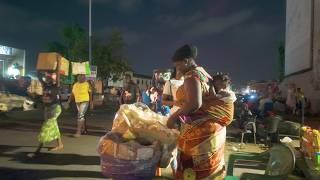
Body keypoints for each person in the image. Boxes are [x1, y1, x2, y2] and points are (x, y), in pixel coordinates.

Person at [167, 44, 234, 179]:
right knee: (208, 168)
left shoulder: (191, 76)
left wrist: (172, 118)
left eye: (178, 65)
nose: (177, 68)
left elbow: (194, 103)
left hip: (201, 132)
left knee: (193, 170)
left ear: (186, 61)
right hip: (214, 129)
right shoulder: (204, 73)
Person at [31, 73, 63, 156]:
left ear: (53, 80)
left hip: (55, 109)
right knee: (54, 126)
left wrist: (58, 63)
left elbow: (58, 76)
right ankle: (60, 144)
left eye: (49, 78)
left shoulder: (56, 86)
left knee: (46, 128)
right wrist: (40, 71)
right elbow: (39, 77)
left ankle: (38, 150)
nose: (48, 79)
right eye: (46, 78)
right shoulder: (45, 86)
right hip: (47, 109)